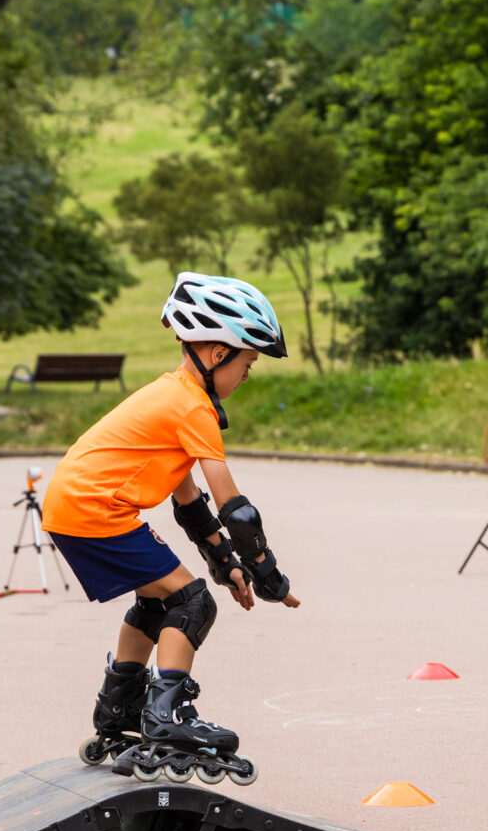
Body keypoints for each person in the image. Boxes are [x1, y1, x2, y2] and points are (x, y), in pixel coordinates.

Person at [41, 272, 300, 786]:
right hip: (98, 511)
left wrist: (225, 561)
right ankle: (167, 720)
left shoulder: (172, 394)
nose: (248, 374)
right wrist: (268, 574)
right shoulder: (193, 407)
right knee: (193, 604)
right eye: (247, 362)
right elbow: (235, 507)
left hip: (74, 506)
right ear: (214, 351)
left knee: (159, 601)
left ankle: (118, 711)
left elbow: (192, 506)